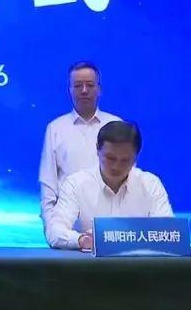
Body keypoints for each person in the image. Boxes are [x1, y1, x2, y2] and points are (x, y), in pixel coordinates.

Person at [45, 121, 173, 251]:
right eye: (110, 158)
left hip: (140, 262)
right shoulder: (76, 184)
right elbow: (54, 232)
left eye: (125, 160)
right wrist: (81, 240)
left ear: (136, 157)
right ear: (97, 149)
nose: (116, 167)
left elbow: (169, 233)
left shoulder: (150, 184)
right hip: (89, 263)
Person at [39, 61, 121, 232]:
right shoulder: (56, 128)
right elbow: (48, 184)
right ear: (70, 90)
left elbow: (129, 178)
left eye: (90, 85)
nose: (84, 91)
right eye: (77, 86)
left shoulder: (116, 125)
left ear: (99, 89)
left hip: (111, 227)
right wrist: (52, 227)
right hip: (69, 229)